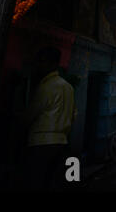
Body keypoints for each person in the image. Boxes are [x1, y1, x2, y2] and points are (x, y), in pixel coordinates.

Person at [23, 46, 77, 191]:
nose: (39, 66)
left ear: (50, 64)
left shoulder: (46, 87)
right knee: (54, 182)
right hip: (61, 142)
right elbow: (74, 115)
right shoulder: (68, 87)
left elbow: (30, 114)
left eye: (42, 62)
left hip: (41, 142)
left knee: (37, 182)